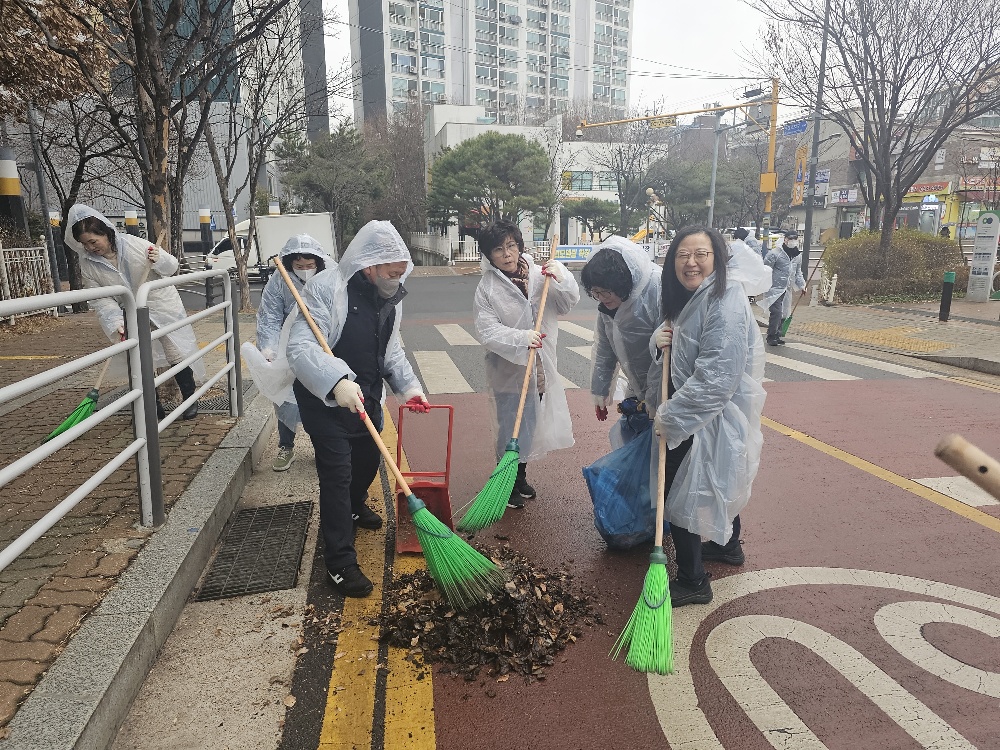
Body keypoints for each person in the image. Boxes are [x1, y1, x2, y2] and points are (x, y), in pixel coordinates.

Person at [286, 221, 429, 598]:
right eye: (391, 274)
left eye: (402, 274)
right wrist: (335, 382)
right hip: (324, 400)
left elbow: (390, 351)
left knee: (367, 460)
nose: (397, 281)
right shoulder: (324, 290)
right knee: (337, 474)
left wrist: (408, 388)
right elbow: (301, 349)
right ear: (370, 266)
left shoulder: (390, 299)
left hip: (366, 394)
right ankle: (339, 562)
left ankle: (353, 506)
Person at [650, 226, 766, 606]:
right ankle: (728, 545)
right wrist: (660, 340)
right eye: (683, 255)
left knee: (682, 492)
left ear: (717, 258)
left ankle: (693, 580)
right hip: (697, 413)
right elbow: (684, 351)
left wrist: (670, 418)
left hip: (704, 416)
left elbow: (716, 378)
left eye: (701, 254)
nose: (691, 262)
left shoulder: (725, 301)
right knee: (717, 482)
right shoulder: (692, 298)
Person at [474, 220, 579, 509]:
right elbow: (487, 331)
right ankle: (505, 484)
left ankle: (519, 477)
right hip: (507, 368)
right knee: (510, 426)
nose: (507, 254)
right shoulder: (487, 288)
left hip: (540, 366)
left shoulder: (539, 275)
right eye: (498, 249)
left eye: (511, 245)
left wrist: (563, 278)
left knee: (529, 424)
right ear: (489, 255)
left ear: (519, 246)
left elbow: (568, 302)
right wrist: (522, 338)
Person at [66, 204, 204, 420]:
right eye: (85, 244)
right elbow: (100, 297)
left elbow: (171, 268)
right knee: (140, 357)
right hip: (128, 310)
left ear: (105, 233)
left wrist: (160, 258)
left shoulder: (134, 245)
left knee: (174, 350)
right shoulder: (88, 264)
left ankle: (189, 399)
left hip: (161, 304)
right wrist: (114, 320)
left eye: (93, 241)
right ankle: (152, 405)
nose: (91, 247)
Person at [256, 234, 333, 472]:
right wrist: (268, 347)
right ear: (290, 263)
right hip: (288, 347)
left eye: (310, 266)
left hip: (322, 346)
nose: (305, 270)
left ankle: (323, 448)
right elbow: (269, 316)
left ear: (318, 262)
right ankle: (286, 447)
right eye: (299, 266)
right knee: (285, 398)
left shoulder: (330, 277)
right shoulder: (280, 281)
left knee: (322, 399)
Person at [580, 236, 660, 444]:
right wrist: (600, 390)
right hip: (636, 385)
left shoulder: (655, 292)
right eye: (596, 292)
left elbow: (665, 356)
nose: (602, 297)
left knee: (661, 451)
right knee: (633, 443)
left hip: (665, 386)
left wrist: (655, 398)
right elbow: (604, 347)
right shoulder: (606, 307)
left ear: (624, 283)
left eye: (606, 291)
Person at [760, 229, 801, 346]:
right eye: (790, 239)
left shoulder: (797, 255)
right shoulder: (775, 253)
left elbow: (798, 272)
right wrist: (764, 285)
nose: (792, 241)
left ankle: (777, 334)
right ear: (785, 239)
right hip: (774, 288)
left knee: (784, 313)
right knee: (776, 312)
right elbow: (766, 269)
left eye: (794, 239)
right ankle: (771, 335)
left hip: (786, 289)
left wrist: (802, 286)